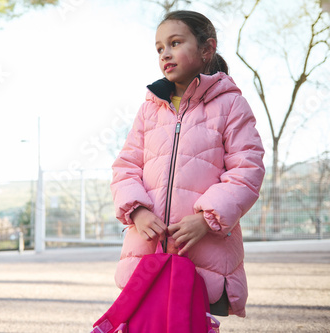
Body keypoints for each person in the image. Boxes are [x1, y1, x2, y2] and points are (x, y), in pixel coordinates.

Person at [111, 10, 265, 321]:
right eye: (159, 48)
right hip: (148, 251)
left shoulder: (230, 104)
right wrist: (137, 210)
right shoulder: (149, 110)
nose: (165, 53)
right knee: (147, 324)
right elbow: (125, 167)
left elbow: (247, 170)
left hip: (202, 249)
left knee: (192, 323)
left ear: (207, 49)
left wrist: (207, 219)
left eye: (175, 42)